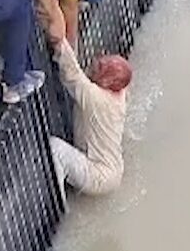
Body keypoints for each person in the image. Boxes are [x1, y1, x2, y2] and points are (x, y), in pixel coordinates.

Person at [46, 31, 132, 197]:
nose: (95, 62)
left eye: (100, 66)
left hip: (99, 174)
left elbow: (71, 75)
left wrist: (60, 41)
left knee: (55, 148)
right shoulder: (119, 94)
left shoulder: (97, 99)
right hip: (113, 170)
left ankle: (60, 203)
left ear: (107, 82)